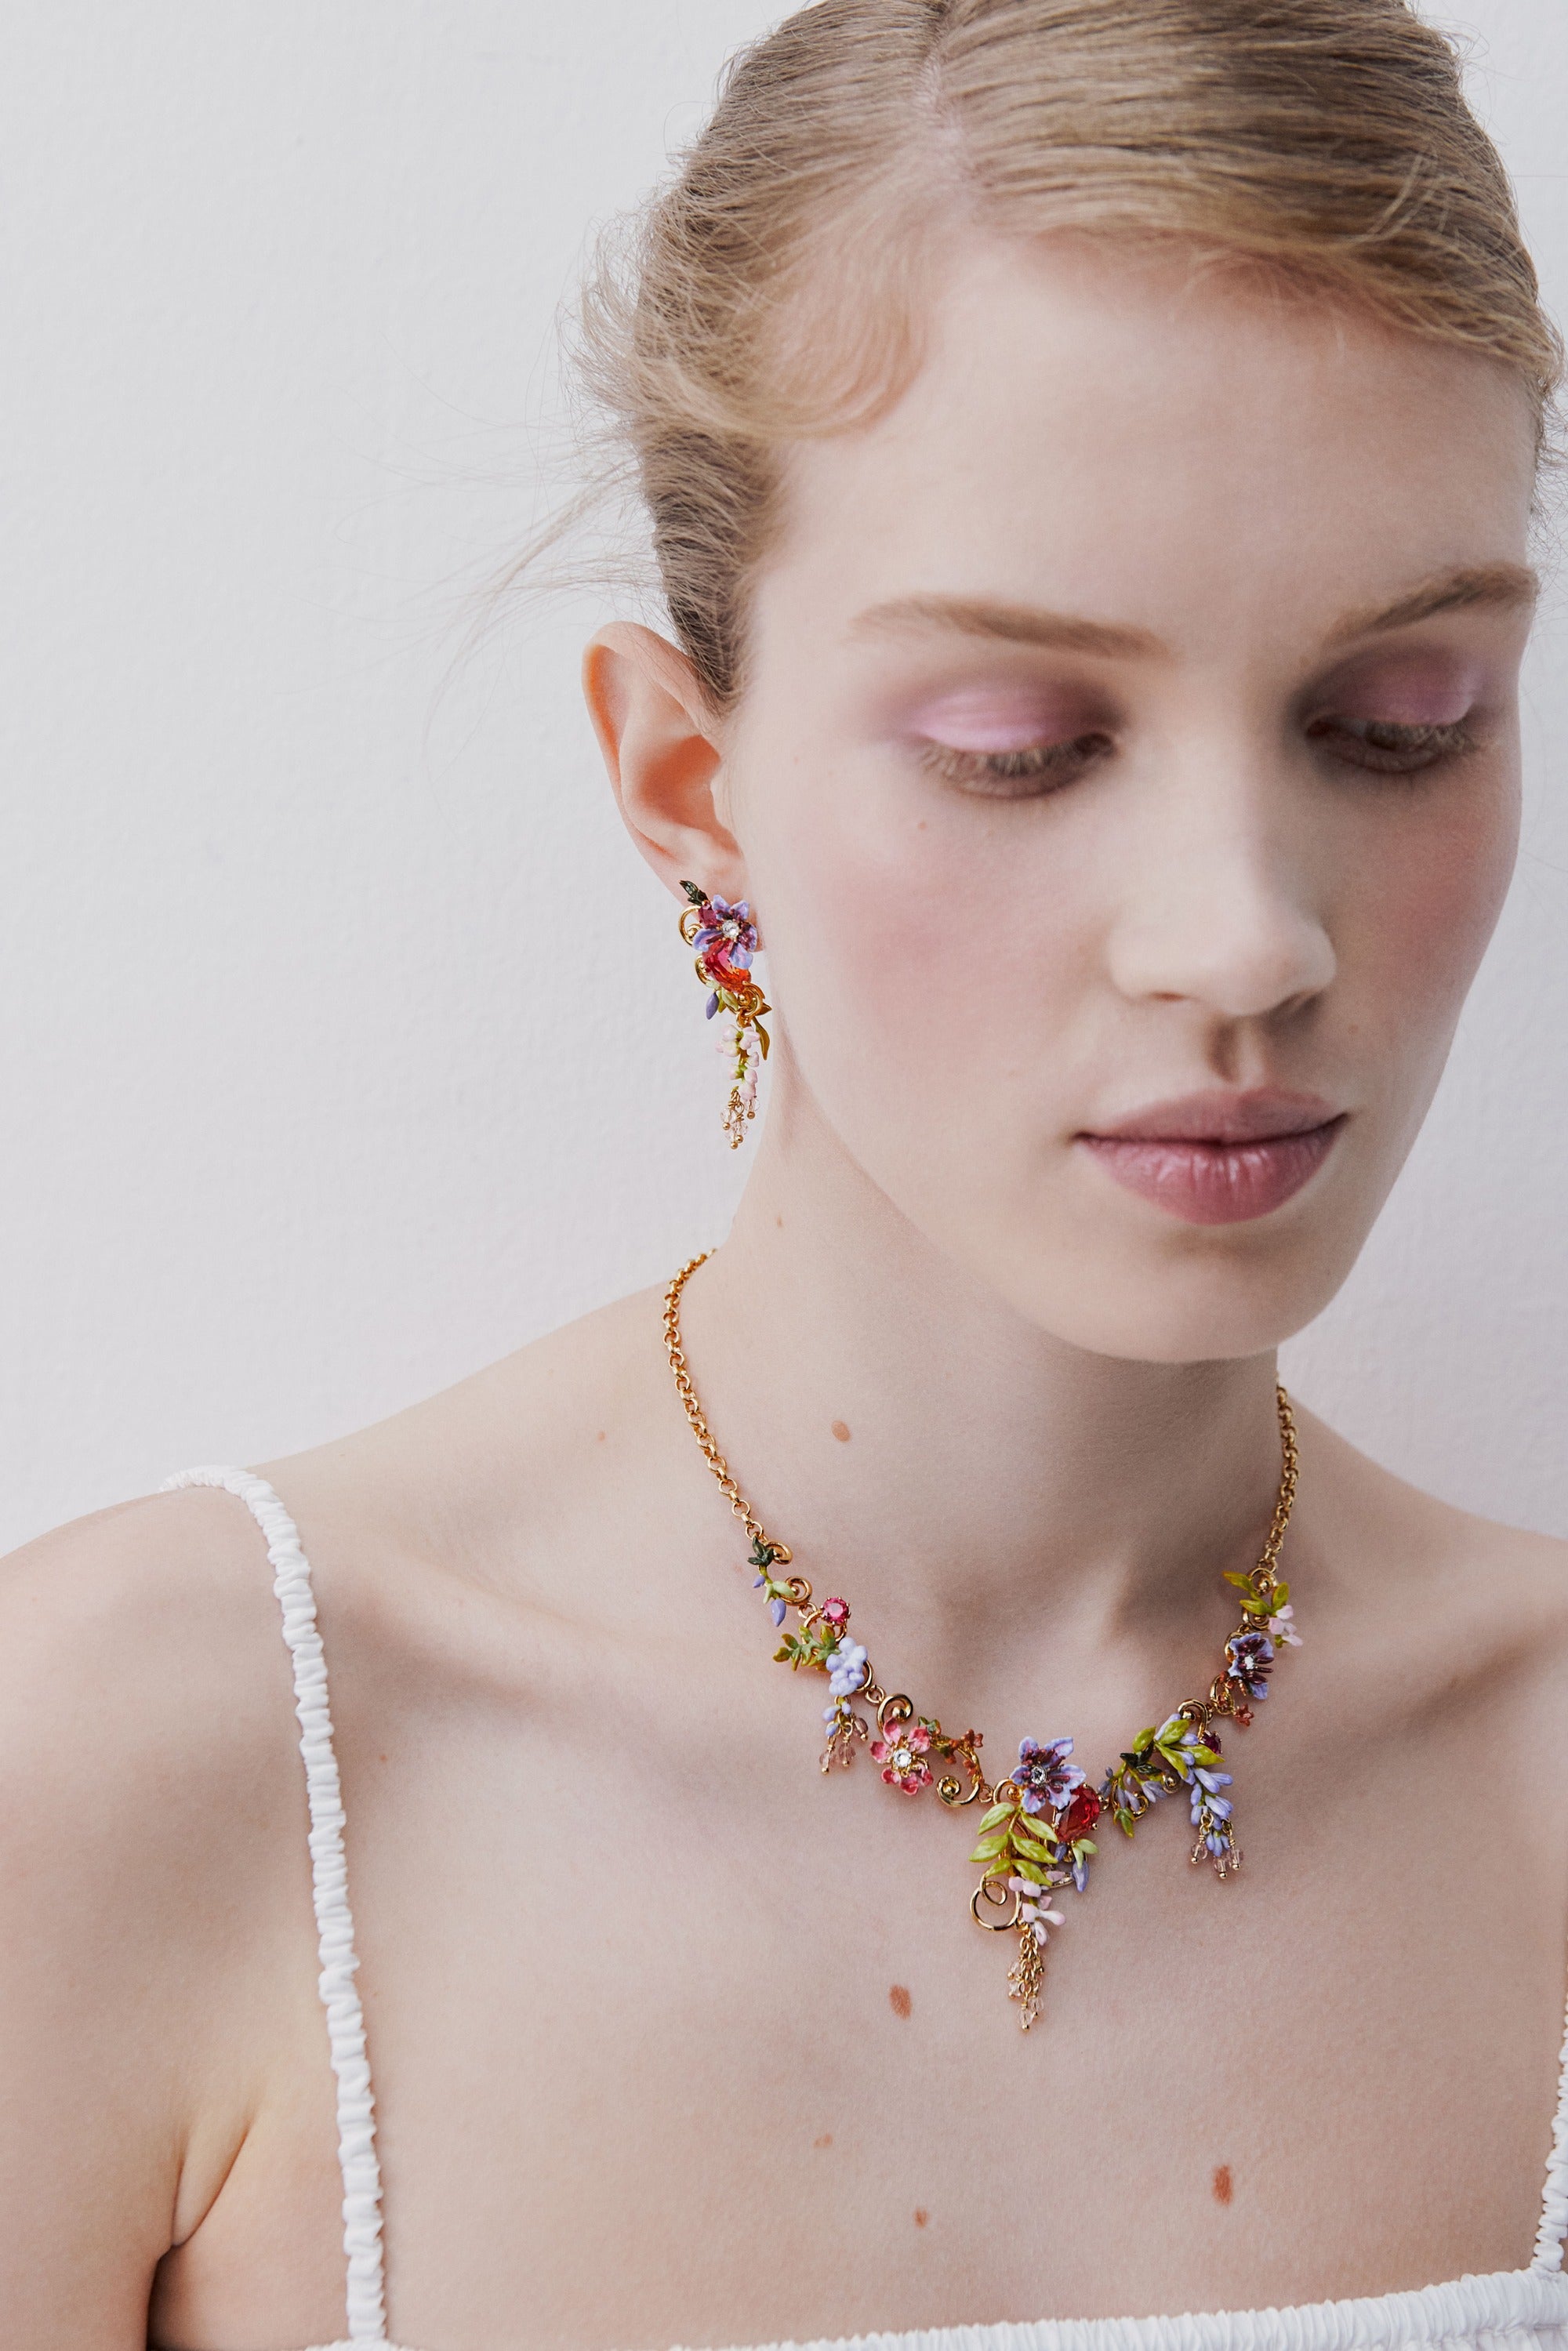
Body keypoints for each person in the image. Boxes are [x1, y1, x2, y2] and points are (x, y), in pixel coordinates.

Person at [4, 2, 1566, 2347]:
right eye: (1024, 748)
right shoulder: (150, 1763)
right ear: (689, 781)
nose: (1249, 931)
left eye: (1399, 723)